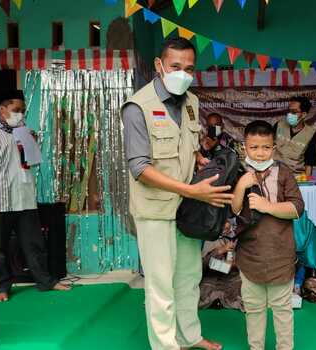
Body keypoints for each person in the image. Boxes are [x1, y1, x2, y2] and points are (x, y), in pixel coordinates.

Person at [121, 37, 232, 350]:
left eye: (189, 68)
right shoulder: (137, 107)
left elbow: (186, 145)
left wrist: (198, 159)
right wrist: (191, 190)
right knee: (160, 285)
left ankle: (189, 336)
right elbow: (140, 168)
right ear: (159, 66)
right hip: (156, 210)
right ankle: (166, 345)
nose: (182, 73)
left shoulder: (192, 103)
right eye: (175, 67)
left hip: (188, 209)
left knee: (188, 277)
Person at [0, 90, 71, 302]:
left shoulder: (24, 132)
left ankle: (46, 281)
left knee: (34, 244)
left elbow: (31, 161)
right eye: (16, 110)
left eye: (23, 111)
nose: (20, 114)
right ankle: (1, 287)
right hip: (0, 200)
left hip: (25, 198)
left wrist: (31, 143)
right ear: (2, 110)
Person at [231, 120, 304, 350]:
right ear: (245, 147)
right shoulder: (239, 172)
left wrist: (266, 205)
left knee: (282, 309)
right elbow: (233, 210)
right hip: (249, 256)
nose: (260, 153)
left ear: (273, 147)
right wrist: (241, 185)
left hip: (280, 256)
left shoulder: (283, 172)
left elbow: (297, 209)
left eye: (265, 147)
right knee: (253, 308)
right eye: (254, 147)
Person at [199, 219, 243, 311]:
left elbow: (247, 262)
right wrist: (220, 250)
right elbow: (202, 265)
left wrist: (234, 264)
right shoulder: (208, 239)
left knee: (244, 294)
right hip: (211, 279)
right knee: (201, 294)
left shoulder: (240, 237)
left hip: (232, 280)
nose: (225, 227)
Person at [274, 96, 316, 176]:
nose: (290, 114)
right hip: (275, 174)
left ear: (304, 114)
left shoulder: (310, 133)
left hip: (296, 178)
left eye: (294, 112)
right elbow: (267, 148)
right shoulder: (278, 125)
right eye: (289, 111)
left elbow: (309, 162)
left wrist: (306, 183)